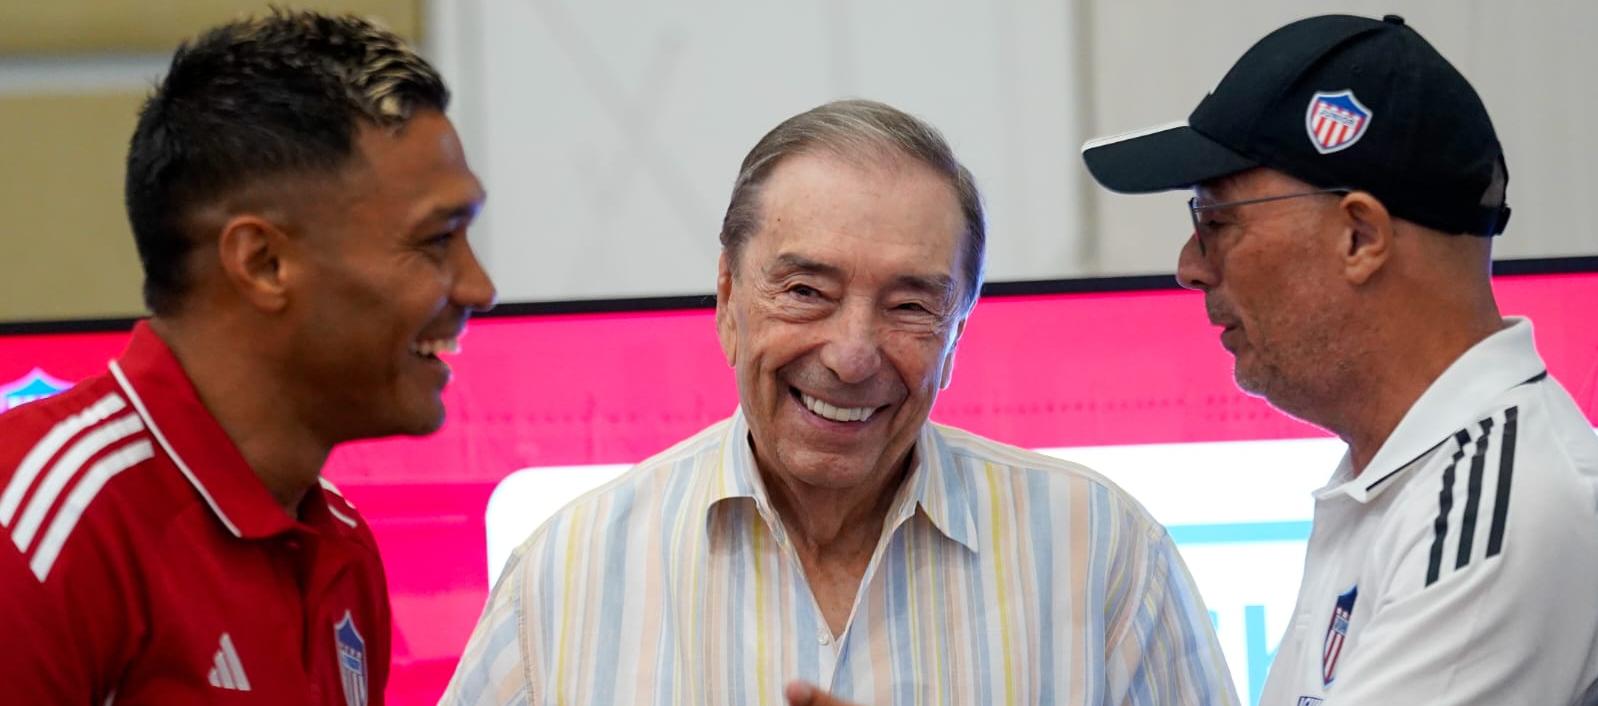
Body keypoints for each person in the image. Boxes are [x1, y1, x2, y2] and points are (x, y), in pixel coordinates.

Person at [443, 99, 1235, 705]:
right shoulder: (568, 571)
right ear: (726, 297)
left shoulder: (1101, 553)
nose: (853, 356)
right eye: (805, 291)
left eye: (910, 305)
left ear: (958, 330)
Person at [1081, 13, 1598, 704]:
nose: (1189, 267)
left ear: (1359, 236)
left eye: (1216, 222)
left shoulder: (1496, 509)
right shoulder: (1409, 480)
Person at [0, 9, 496, 704]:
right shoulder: (38, 525)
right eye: (437, 240)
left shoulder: (343, 553)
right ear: (263, 263)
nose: (480, 287)